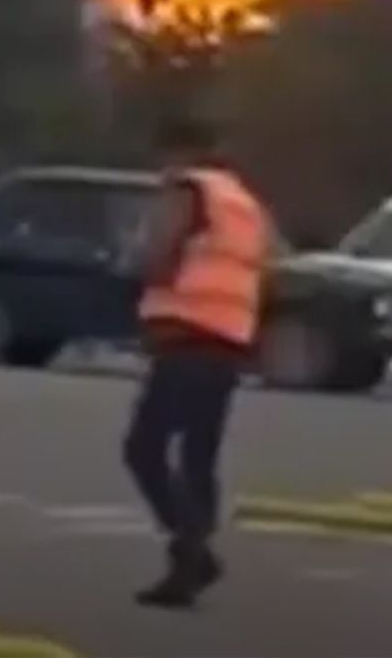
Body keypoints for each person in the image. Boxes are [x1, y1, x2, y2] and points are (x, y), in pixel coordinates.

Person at [123, 164, 271, 608]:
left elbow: (158, 255)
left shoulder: (189, 190)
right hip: (227, 341)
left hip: (185, 338)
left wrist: (135, 264)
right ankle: (192, 559)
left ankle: (192, 553)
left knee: (144, 448)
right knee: (198, 455)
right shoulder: (244, 204)